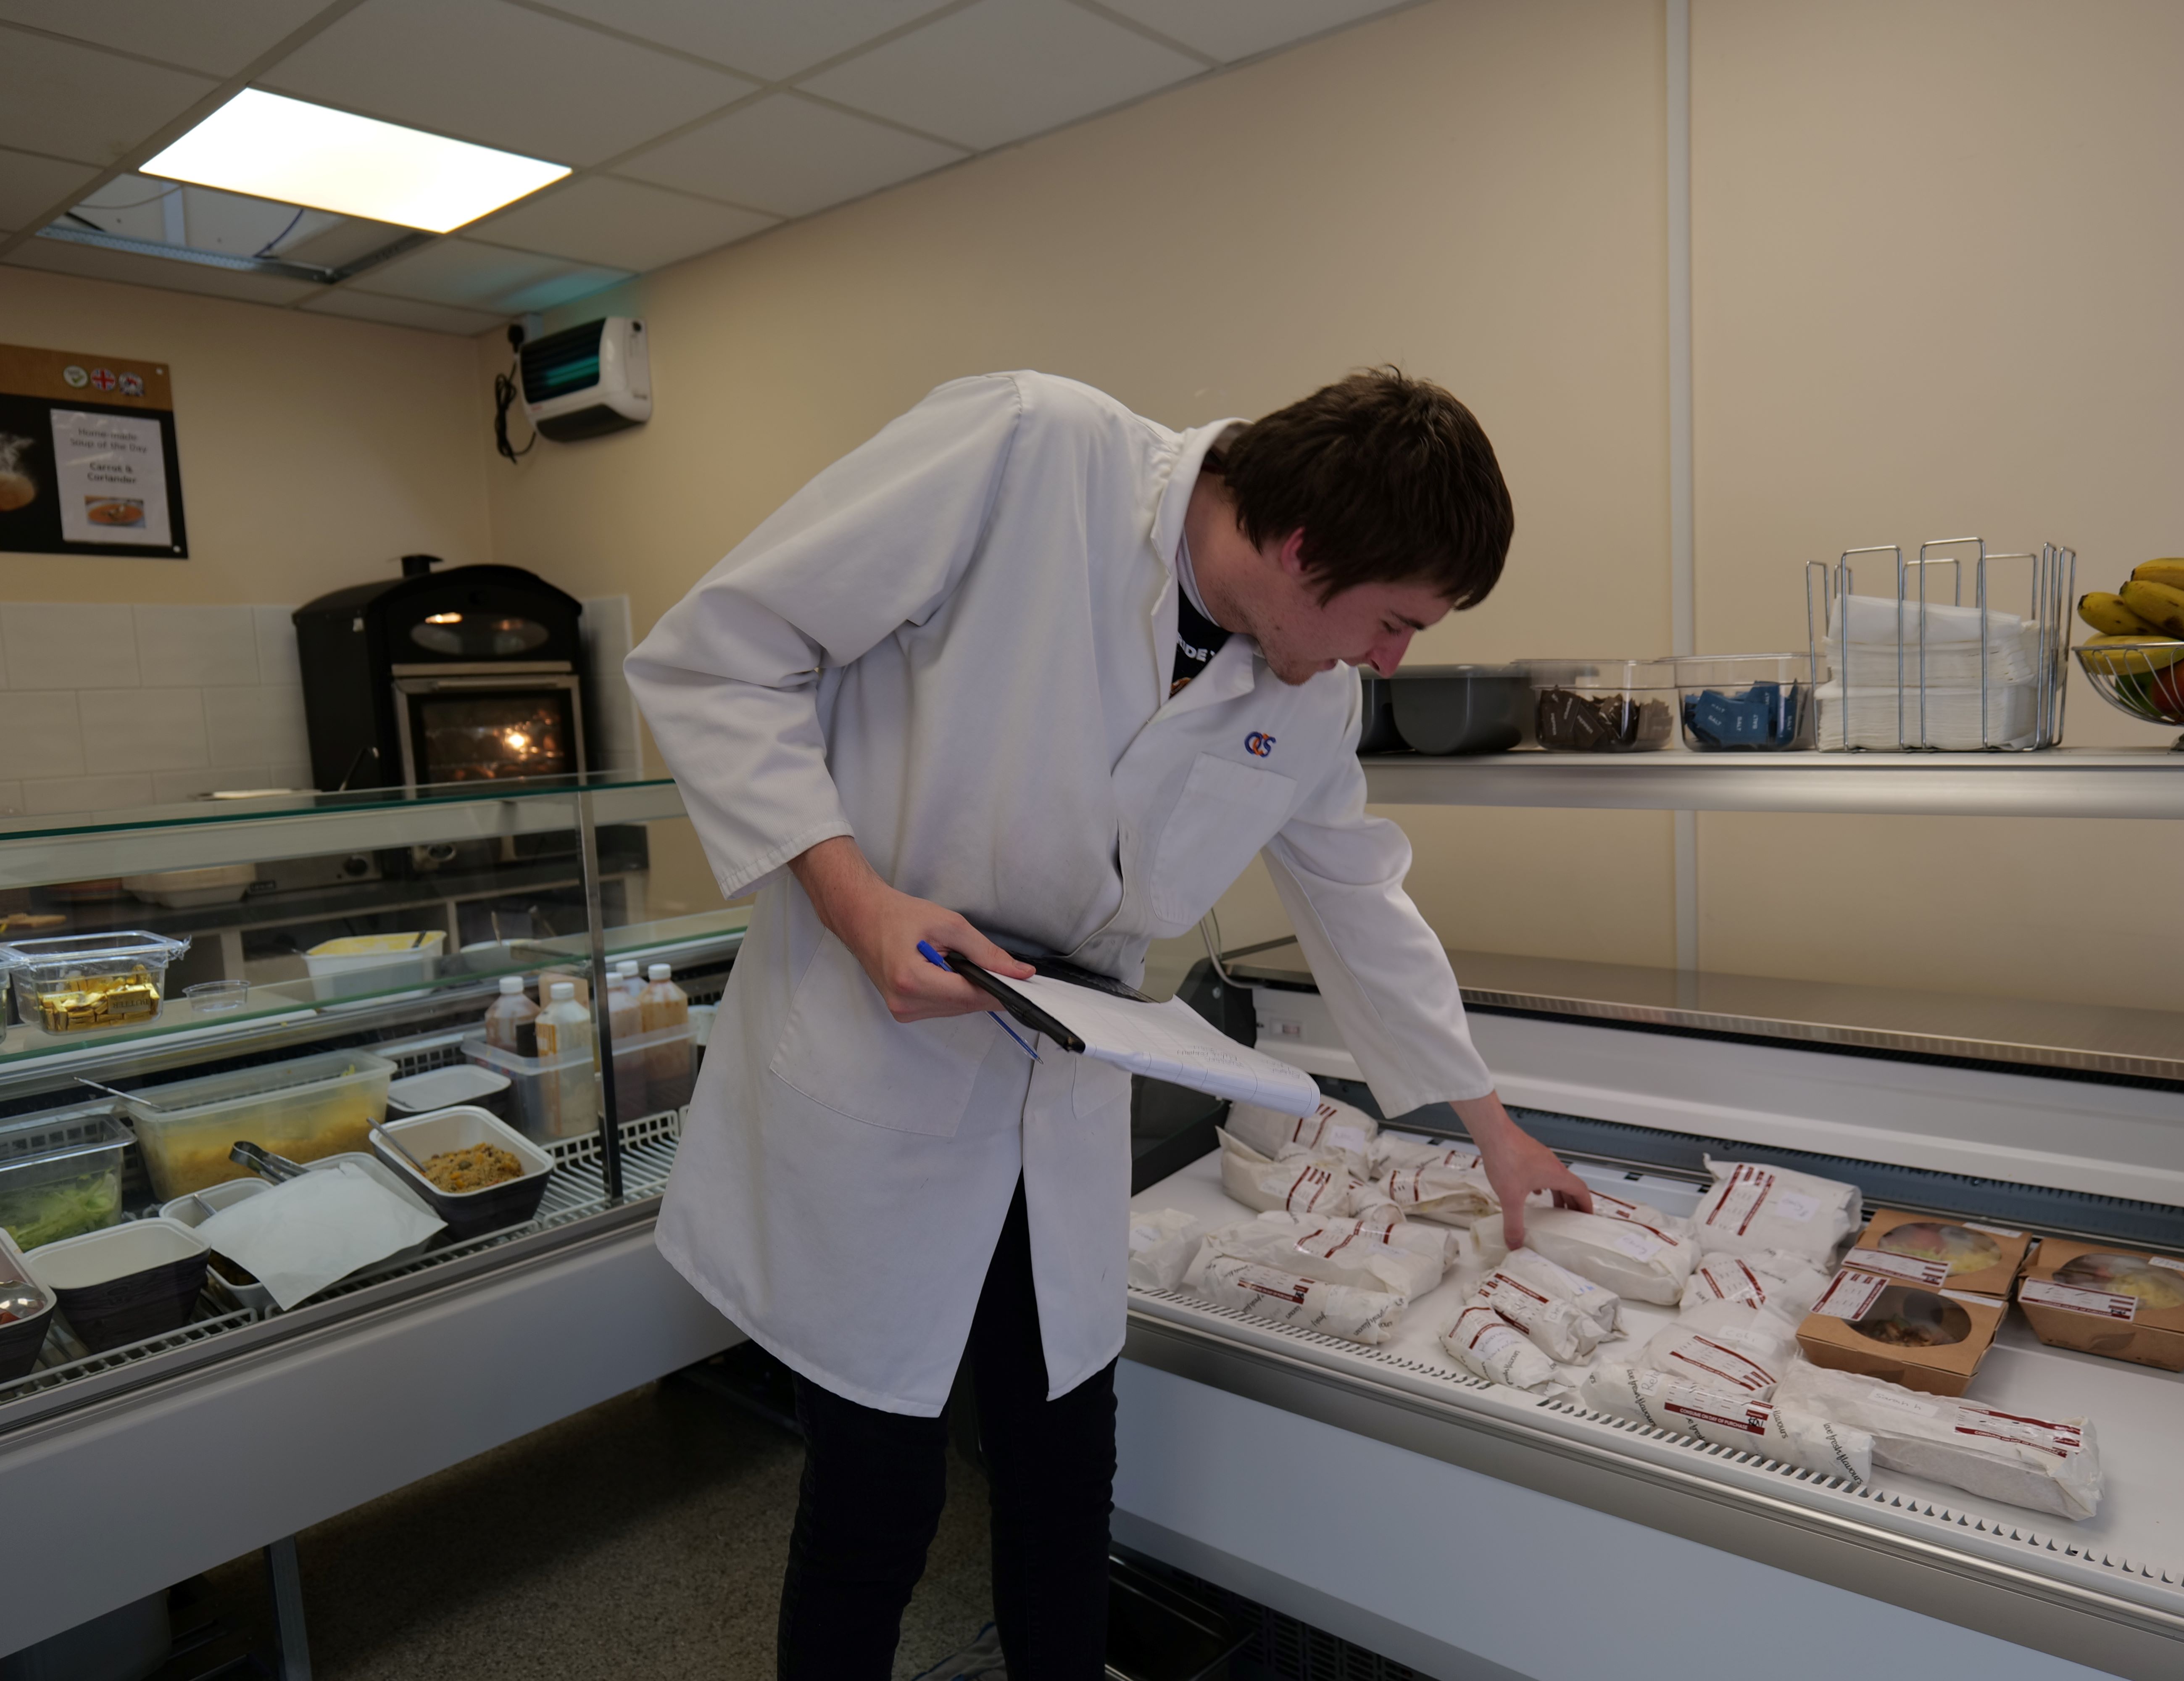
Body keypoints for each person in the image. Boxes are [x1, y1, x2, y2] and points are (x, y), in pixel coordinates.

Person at [624, 367, 1593, 1679]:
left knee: (1066, 1474)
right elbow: (718, 657)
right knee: (877, 1504)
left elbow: (1357, 889)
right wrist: (858, 907)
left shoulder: (1306, 694)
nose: (1392, 657)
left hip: (1056, 1078)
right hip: (880, 1040)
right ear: (1304, 549)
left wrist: (1492, 1127)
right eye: (1395, 620)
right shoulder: (1029, 455)